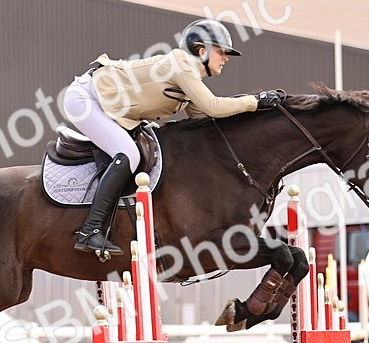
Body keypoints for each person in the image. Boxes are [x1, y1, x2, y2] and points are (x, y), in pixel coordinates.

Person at [60, 18, 285, 258]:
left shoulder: (189, 76)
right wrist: (255, 101)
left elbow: (204, 120)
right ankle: (90, 230)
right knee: (128, 155)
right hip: (85, 100)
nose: (226, 58)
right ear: (201, 50)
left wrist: (255, 118)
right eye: (221, 52)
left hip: (105, 105)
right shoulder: (181, 65)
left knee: (135, 153)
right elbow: (214, 107)